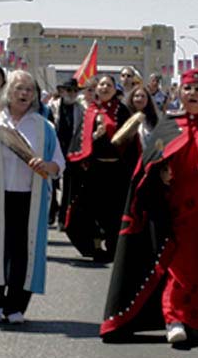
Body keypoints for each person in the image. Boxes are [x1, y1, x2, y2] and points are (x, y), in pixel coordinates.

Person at [100, 69, 198, 344]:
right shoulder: (169, 124)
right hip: (177, 210)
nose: (193, 95)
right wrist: (159, 172)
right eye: (188, 89)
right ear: (180, 93)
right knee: (179, 266)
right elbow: (147, 164)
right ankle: (174, 318)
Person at [0, 70, 64, 324]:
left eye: (29, 89)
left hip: (29, 198)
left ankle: (16, 306)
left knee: (23, 252)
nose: (24, 93)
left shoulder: (44, 127)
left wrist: (46, 165)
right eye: (19, 88)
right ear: (8, 92)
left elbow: (59, 164)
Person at [66, 74, 136, 261]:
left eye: (109, 85)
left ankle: (113, 248)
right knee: (89, 211)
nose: (105, 88)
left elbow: (131, 141)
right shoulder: (90, 112)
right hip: (95, 171)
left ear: (115, 89)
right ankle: (94, 247)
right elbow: (80, 142)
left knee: (114, 212)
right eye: (102, 85)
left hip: (116, 171)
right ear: (97, 89)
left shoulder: (122, 110)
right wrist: (95, 137)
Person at [48, 78, 84, 228]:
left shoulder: (80, 109)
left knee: (68, 187)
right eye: (69, 90)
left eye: (75, 91)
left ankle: (63, 218)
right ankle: (51, 213)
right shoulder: (52, 107)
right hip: (54, 150)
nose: (72, 94)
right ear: (62, 91)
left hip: (71, 150)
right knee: (51, 183)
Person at [125, 83, 160, 149]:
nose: (140, 98)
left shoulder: (153, 119)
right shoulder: (125, 116)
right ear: (131, 99)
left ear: (148, 100)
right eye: (137, 96)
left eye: (143, 96)